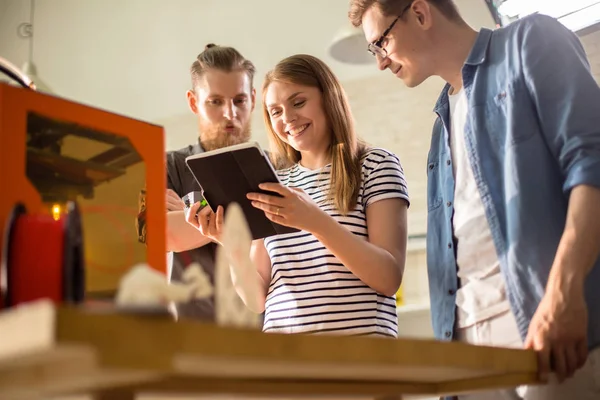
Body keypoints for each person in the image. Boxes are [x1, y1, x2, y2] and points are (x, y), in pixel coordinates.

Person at [348, 0, 600, 399]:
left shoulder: (530, 42)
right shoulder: (440, 128)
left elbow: (592, 165)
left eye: (382, 42)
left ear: (419, 12)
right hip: (469, 358)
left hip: (549, 331)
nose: (381, 62)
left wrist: (563, 295)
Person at [186, 54, 410, 337]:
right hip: (286, 361)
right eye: (275, 111)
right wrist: (231, 246)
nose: (288, 118)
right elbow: (256, 300)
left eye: (298, 102)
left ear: (329, 97)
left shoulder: (375, 165)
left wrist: (315, 221)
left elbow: (388, 279)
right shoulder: (273, 183)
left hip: (360, 355)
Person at [136, 43, 256, 320]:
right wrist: (252, 210)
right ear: (193, 102)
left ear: (252, 98)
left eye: (239, 100)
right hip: (194, 331)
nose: (230, 113)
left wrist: (190, 215)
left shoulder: (278, 165)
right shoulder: (169, 165)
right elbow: (159, 235)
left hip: (267, 330)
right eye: (215, 101)